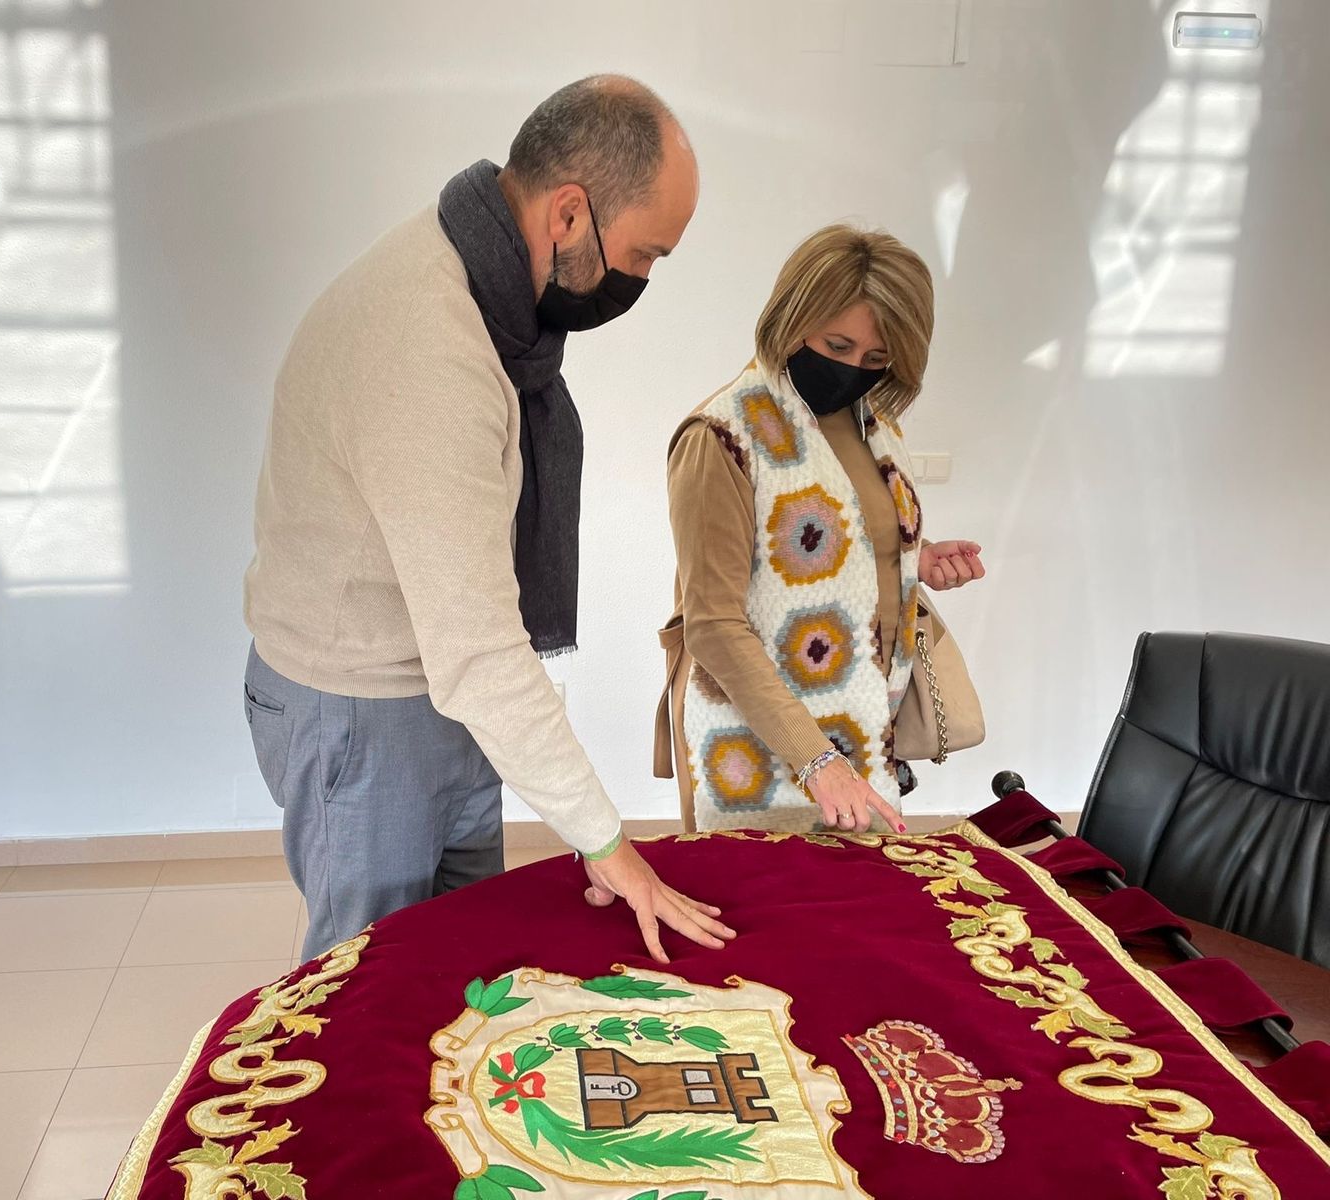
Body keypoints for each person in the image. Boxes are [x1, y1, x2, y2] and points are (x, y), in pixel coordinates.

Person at [244, 76, 735, 964]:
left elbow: (467, 647)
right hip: (363, 712)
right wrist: (607, 845)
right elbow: (476, 650)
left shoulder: (479, 287)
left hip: (430, 692)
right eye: (648, 254)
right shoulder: (430, 348)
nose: (645, 280)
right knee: (367, 992)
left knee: (462, 978)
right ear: (569, 215)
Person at [659, 225, 985, 835]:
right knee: (772, 912)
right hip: (762, 742)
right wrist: (816, 759)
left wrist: (917, 556)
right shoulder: (722, 437)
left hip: (863, 724)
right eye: (837, 345)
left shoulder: (873, 424)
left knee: (857, 915)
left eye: (877, 360)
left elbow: (846, 542)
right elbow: (712, 625)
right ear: (793, 316)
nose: (853, 371)